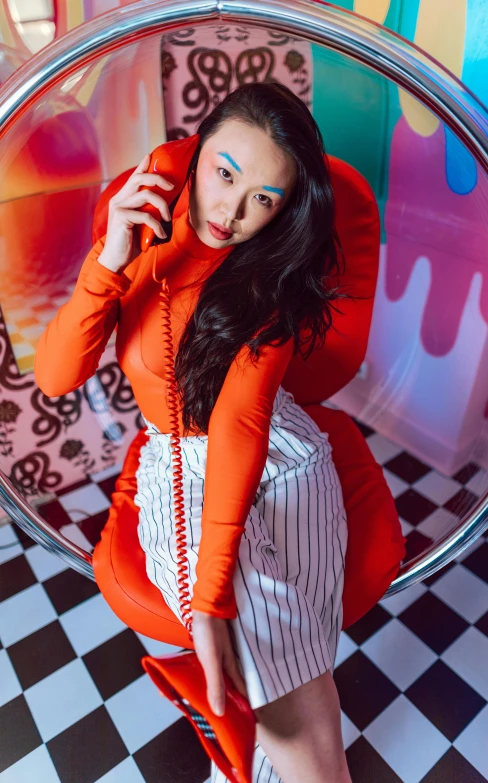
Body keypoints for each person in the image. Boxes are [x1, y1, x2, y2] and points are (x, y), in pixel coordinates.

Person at [35, 82, 353, 783]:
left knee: (275, 646)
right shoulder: (139, 223)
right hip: (180, 455)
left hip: (277, 453)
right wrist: (109, 260)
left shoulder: (269, 276)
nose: (231, 212)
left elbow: (242, 427)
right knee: (271, 647)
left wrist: (209, 603)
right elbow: (57, 375)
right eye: (225, 173)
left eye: (263, 199)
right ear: (199, 146)